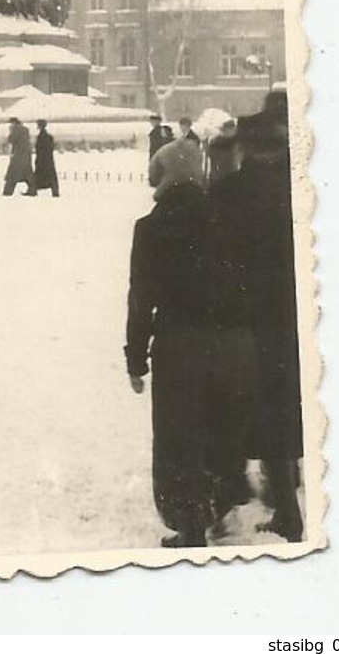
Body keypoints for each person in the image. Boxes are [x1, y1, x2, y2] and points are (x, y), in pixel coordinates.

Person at [125, 178, 258, 547]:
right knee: (223, 432)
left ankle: (191, 530)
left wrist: (135, 357)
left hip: (179, 346)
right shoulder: (229, 222)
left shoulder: (150, 228)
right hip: (235, 342)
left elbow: (141, 297)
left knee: (178, 441)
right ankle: (219, 515)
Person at [209, 104, 304, 542]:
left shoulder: (230, 192)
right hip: (290, 319)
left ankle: (226, 505)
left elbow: (214, 258)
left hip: (241, 322)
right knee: (280, 417)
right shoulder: (298, 186)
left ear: (248, 148)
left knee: (232, 414)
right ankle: (287, 506)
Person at [148, 124, 205, 200]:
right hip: (193, 188)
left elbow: (154, 172)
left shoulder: (165, 151)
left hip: (169, 187)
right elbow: (198, 171)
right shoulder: (195, 150)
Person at [2, 117, 36, 196]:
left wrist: (11, 131)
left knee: (12, 174)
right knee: (28, 173)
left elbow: (11, 140)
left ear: (14, 123)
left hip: (18, 155)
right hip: (26, 155)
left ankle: (7, 192)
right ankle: (32, 190)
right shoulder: (26, 129)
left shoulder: (15, 129)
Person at [34, 119, 59, 197]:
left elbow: (39, 149)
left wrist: (38, 159)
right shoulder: (49, 137)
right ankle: (55, 192)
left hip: (42, 159)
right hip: (49, 159)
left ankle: (33, 190)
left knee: (39, 175)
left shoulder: (40, 137)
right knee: (51, 176)